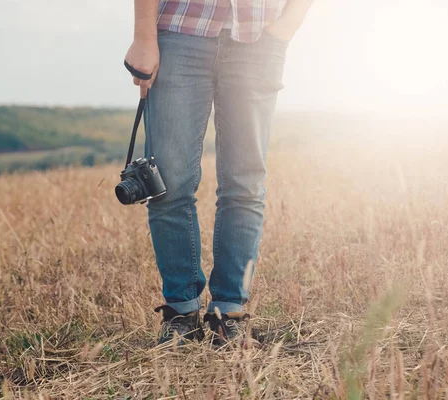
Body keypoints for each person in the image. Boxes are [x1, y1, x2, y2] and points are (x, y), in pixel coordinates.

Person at [124, 0, 314, 347]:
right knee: (168, 184)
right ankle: (181, 314)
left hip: (259, 39)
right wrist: (144, 36)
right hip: (180, 32)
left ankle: (229, 314)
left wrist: (290, 22)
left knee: (245, 184)